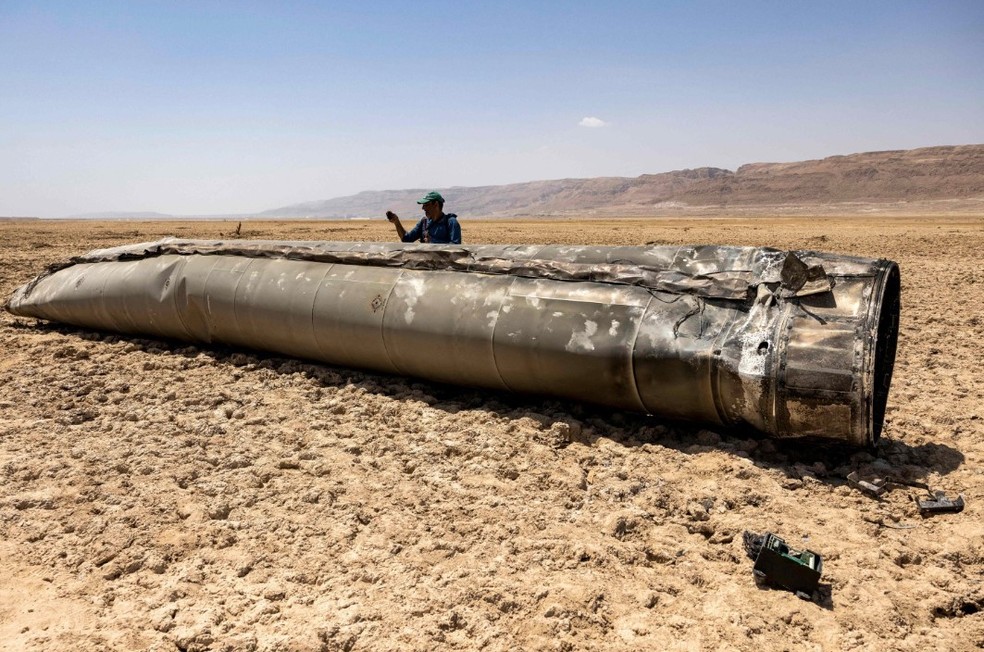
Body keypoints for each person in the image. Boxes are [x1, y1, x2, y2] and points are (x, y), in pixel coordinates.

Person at [385, 191, 461, 244]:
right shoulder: (424, 222)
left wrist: (433, 243)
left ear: (436, 204)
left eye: (426, 205)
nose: (423, 208)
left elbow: (456, 248)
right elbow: (406, 239)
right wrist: (396, 222)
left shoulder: (451, 222)